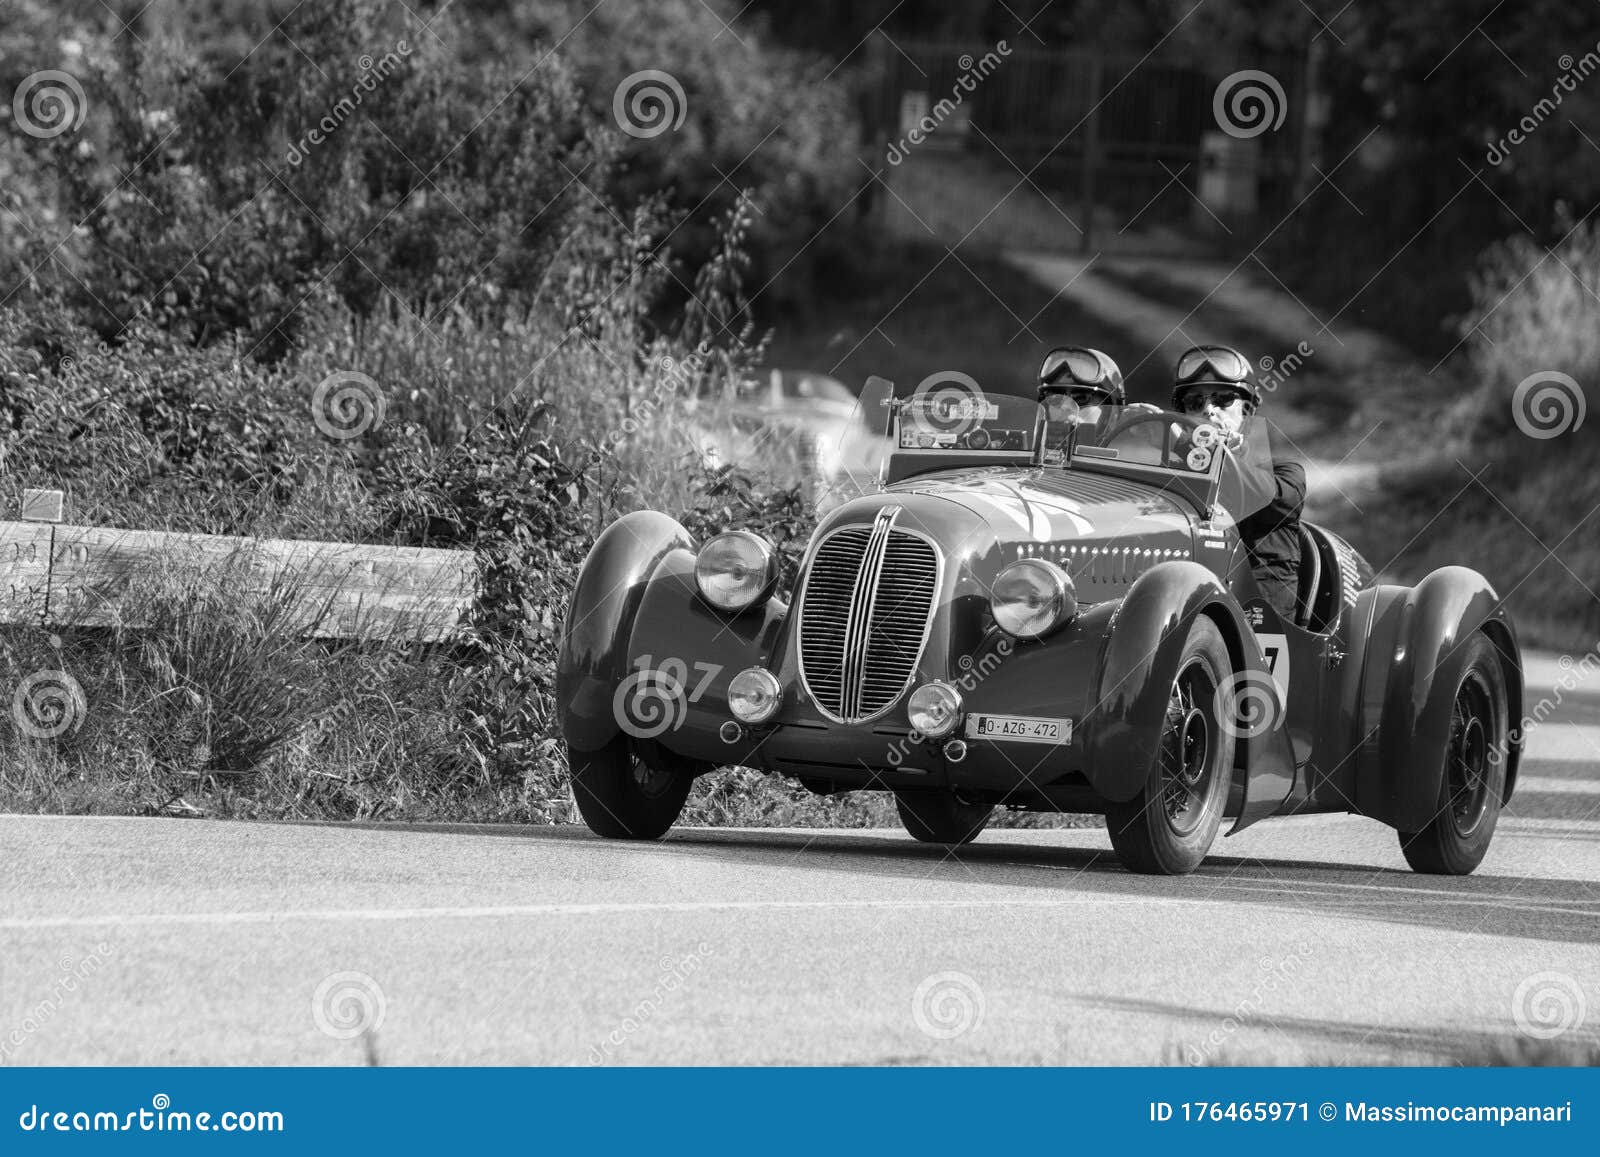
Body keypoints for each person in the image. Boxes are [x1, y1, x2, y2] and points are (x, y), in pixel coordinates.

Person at [1171, 344, 1306, 623]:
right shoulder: (1173, 476)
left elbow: (1266, 497)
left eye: (1222, 399)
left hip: (1258, 623)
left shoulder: (1287, 474)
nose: (1208, 410)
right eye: (1195, 403)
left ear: (1247, 410)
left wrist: (1222, 455)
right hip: (1182, 609)